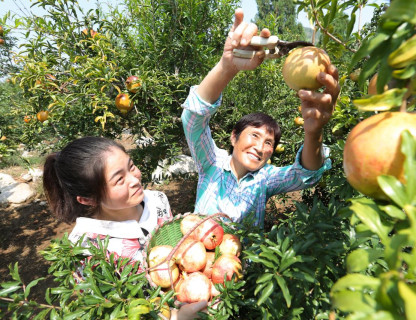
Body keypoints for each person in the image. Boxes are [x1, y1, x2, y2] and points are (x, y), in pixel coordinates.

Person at [181, 8, 340, 227]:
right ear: (234, 137)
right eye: (254, 135)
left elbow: (306, 174)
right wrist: (226, 68)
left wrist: (314, 133)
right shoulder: (211, 163)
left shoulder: (264, 180)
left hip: (242, 262)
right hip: (198, 258)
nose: (259, 146)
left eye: (268, 142)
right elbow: (193, 120)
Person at [42, 136, 206, 320]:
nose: (134, 180)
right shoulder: (84, 250)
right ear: (88, 199)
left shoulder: (158, 200)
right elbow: (109, 311)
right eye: (119, 179)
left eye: (131, 166)